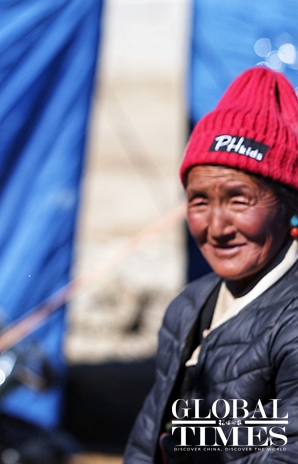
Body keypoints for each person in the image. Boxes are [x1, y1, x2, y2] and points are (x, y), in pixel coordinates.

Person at [125, 66, 298, 464]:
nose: (217, 228)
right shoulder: (190, 306)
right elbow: (147, 440)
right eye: (200, 200)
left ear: (290, 208)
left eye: (239, 199)